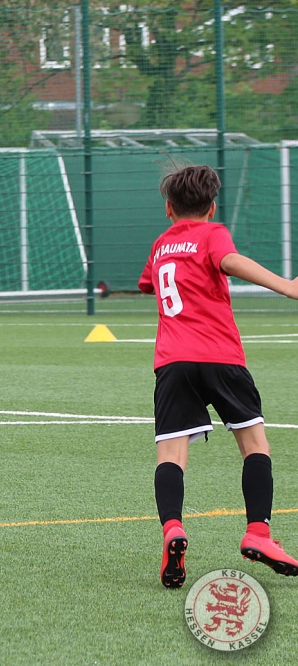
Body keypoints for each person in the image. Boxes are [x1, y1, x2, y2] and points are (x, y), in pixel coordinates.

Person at [138, 164, 298, 588]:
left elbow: (149, 283)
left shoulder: (160, 245)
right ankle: (258, 533)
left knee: (171, 455)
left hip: (172, 362)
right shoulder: (212, 234)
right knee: (254, 444)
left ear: (168, 208)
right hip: (220, 356)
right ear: (212, 207)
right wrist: (287, 286)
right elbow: (229, 261)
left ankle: (173, 528)